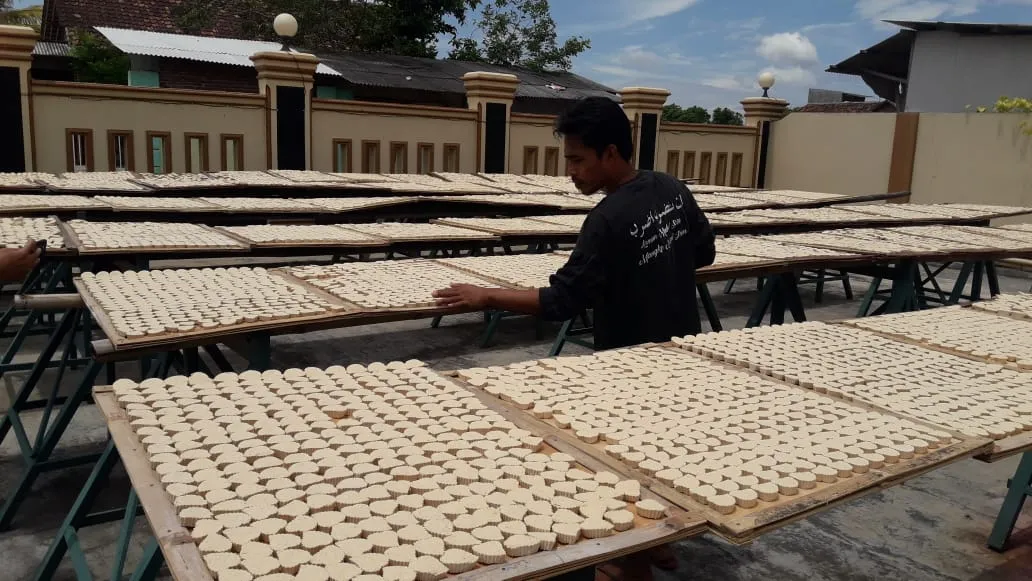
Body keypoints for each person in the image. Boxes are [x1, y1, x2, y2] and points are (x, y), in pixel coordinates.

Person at [433, 96, 716, 351]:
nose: (571, 171)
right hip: (685, 348)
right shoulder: (671, 187)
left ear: (610, 153)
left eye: (578, 160)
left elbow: (561, 301)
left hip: (631, 360)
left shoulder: (606, 219)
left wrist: (486, 296)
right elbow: (705, 252)